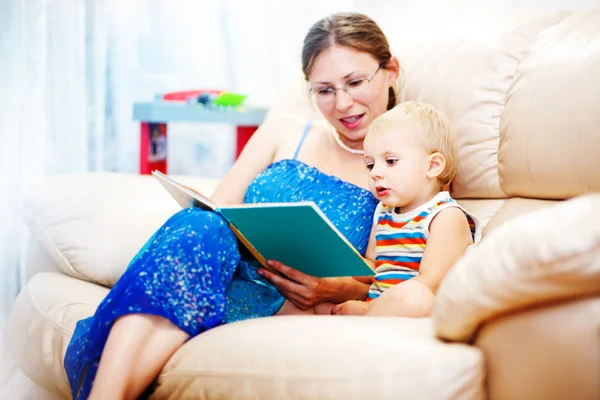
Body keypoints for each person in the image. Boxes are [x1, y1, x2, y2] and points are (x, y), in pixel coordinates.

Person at [65, 12, 402, 400]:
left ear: (390, 71)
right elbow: (218, 207)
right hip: (216, 272)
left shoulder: (406, 160)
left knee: (194, 251)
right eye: (324, 90)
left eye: (355, 82)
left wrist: (331, 288)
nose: (343, 103)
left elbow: (387, 275)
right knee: (201, 223)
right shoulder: (283, 130)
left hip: (285, 301)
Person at [330, 101, 481, 318]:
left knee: (415, 295)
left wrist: (367, 310)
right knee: (314, 304)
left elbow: (430, 284)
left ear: (433, 166)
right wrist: (334, 260)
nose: (375, 173)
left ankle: (364, 322)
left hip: (416, 313)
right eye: (371, 165)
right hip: (377, 308)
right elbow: (373, 266)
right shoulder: (383, 212)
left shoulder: (446, 216)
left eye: (390, 161)